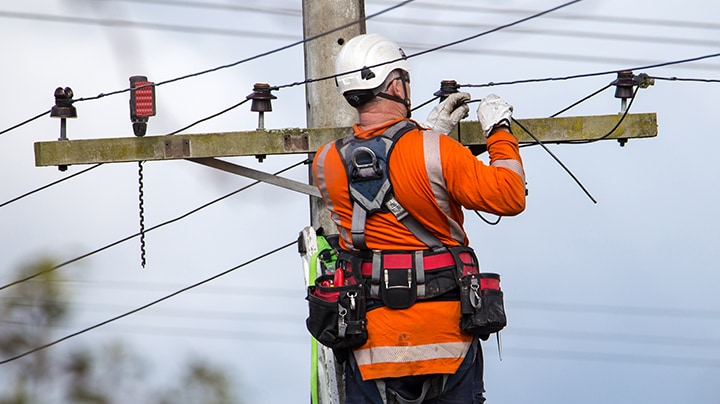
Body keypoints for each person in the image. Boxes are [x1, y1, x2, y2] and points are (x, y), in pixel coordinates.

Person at [311, 33, 526, 403]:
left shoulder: (326, 161)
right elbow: (509, 195)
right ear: (395, 84)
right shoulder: (437, 152)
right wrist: (499, 133)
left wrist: (428, 135)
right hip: (448, 344)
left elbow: (384, 169)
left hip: (370, 349)